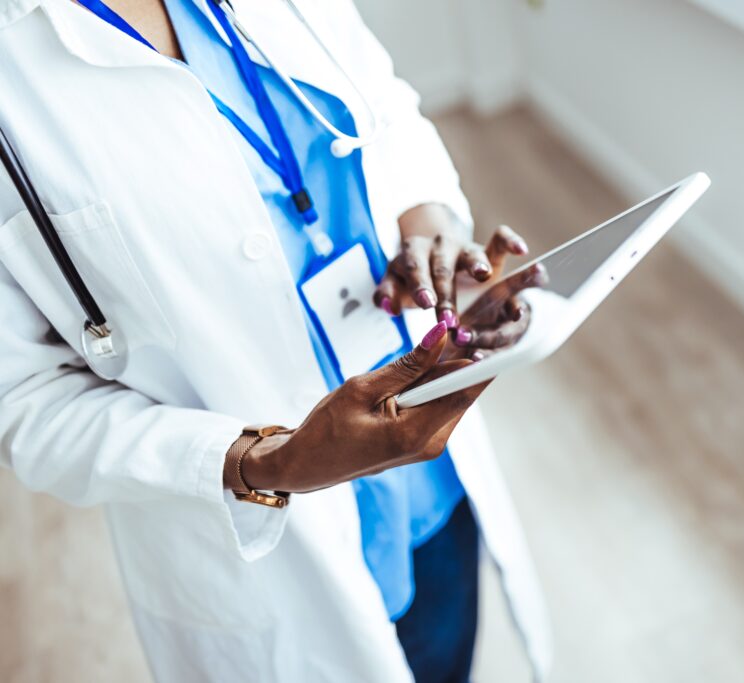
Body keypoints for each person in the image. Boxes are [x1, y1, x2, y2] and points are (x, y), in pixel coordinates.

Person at [0, 0, 550, 680]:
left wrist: (429, 219)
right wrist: (266, 463)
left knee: (446, 652)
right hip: (258, 545)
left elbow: (381, 101)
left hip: (428, 471)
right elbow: (21, 401)